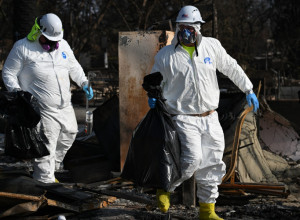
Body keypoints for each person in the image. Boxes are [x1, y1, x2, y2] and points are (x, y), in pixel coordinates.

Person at [147, 5, 259, 220]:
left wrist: (248, 89)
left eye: (190, 27)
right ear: (178, 27)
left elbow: (231, 66)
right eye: (182, 27)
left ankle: (207, 211)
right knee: (191, 160)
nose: (186, 31)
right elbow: (154, 80)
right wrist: (152, 94)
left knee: (214, 162)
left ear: (198, 28)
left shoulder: (211, 47)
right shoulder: (166, 56)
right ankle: (165, 188)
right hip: (183, 117)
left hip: (210, 115)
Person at [2, 13, 94, 183]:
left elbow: (74, 66)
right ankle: (44, 183)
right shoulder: (23, 47)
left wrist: (84, 82)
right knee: (46, 147)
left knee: (70, 134)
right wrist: (18, 94)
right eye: (49, 40)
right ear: (38, 32)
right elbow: (8, 73)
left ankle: (52, 169)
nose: (52, 44)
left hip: (65, 106)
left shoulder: (63, 45)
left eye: (55, 41)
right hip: (42, 109)